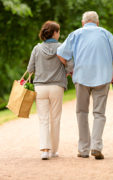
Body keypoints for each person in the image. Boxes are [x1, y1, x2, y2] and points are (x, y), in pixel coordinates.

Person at [57, 11, 113, 160]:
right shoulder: (106, 34)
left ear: (83, 23)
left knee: (82, 113)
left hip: (81, 77)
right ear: (97, 23)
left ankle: (83, 149)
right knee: (99, 114)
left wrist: (70, 68)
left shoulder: (75, 34)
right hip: (103, 77)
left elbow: (60, 54)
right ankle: (96, 146)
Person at [27, 21, 72, 160]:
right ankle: (54, 150)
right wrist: (66, 71)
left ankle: (44, 151)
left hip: (40, 87)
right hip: (57, 87)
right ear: (54, 33)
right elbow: (70, 66)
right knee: (55, 119)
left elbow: (30, 69)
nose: (59, 34)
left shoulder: (37, 48)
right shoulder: (62, 47)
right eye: (58, 31)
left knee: (43, 119)